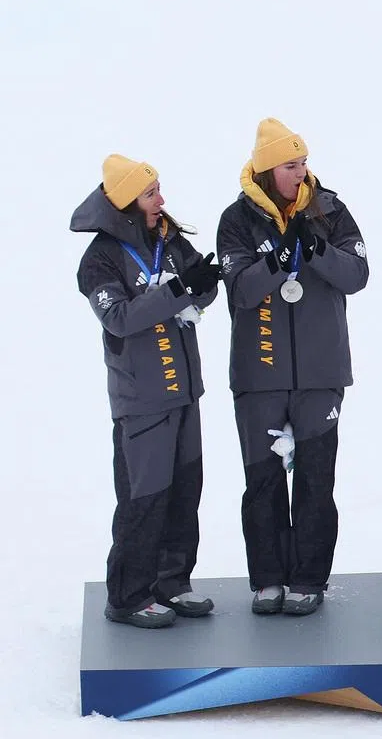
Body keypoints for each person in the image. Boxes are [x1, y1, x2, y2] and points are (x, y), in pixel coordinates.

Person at [217, 118, 369, 615]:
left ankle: (308, 579)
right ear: (266, 169)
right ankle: (267, 580)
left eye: (303, 162)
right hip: (259, 376)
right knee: (262, 481)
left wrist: (317, 248)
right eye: (290, 164)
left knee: (315, 478)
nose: (302, 171)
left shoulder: (330, 210)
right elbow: (239, 291)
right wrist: (279, 261)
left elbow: (357, 274)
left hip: (321, 375)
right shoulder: (236, 221)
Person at [73, 154, 222, 628]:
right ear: (125, 202)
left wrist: (199, 286)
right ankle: (128, 595)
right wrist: (180, 291)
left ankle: (172, 582)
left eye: (159, 189)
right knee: (144, 498)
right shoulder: (98, 259)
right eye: (151, 193)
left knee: (185, 490)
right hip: (142, 399)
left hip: (184, 390)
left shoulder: (167, 237)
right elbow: (119, 318)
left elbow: (201, 284)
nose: (162, 200)